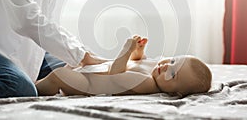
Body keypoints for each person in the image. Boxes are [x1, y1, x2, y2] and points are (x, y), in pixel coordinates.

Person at [36, 36, 212, 97]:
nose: (167, 67)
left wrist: (126, 50)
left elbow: (115, 74)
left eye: (173, 75)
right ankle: (36, 80)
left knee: (58, 76)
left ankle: (31, 90)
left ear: (175, 93)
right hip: (93, 70)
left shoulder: (147, 83)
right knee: (78, 53)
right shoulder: (154, 69)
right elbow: (136, 62)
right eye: (173, 61)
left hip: (87, 84)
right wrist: (138, 52)